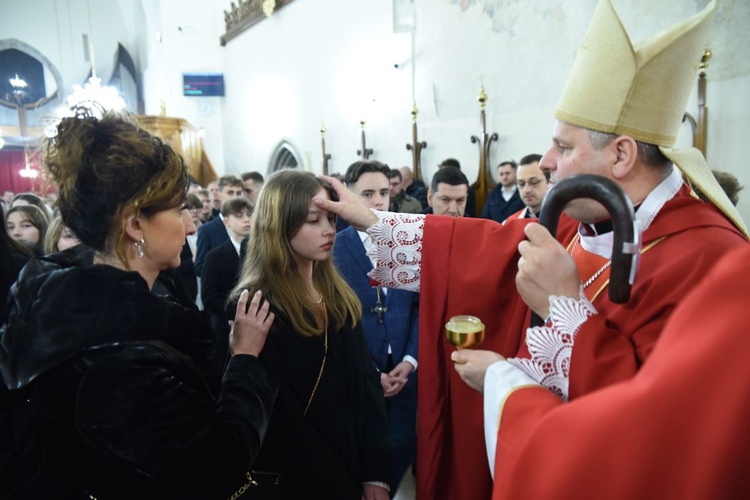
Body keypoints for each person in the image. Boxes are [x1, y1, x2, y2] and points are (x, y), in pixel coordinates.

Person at [315, 2, 747, 498]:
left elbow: (655, 439)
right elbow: (484, 252)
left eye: (564, 147)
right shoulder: (582, 218)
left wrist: (527, 351)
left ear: (622, 154)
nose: (546, 161)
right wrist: (370, 220)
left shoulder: (710, 263)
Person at [0, 107, 278, 498]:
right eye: (178, 209)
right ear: (134, 224)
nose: (191, 224)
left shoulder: (73, 307)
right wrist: (246, 361)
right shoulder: (120, 359)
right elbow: (218, 468)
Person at [455, 243, 750, 499]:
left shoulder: (714, 261)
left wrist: (499, 378)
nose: (548, 173)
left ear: (621, 171)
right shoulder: (581, 226)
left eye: (546, 172)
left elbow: (639, 453)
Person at [231, 169, 391, 499]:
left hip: (352, 458)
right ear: (279, 224)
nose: (329, 230)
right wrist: (343, 486)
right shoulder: (255, 303)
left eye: (331, 220)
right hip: (304, 476)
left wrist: (376, 472)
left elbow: (366, 381)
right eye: (313, 220)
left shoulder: (336, 292)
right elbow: (283, 419)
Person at [334, 161, 419, 494]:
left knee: (401, 450)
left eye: (384, 192)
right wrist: (369, 370)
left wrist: (410, 360)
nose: (379, 201)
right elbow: (337, 320)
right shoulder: (334, 247)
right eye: (367, 194)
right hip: (359, 372)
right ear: (348, 196)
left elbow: (417, 308)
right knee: (363, 456)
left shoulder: (407, 238)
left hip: (404, 369)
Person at [202, 197, 254, 369]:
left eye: (249, 214)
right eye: (239, 216)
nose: (246, 219)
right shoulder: (214, 256)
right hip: (226, 327)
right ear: (226, 221)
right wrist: (237, 312)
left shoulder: (261, 252)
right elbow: (209, 297)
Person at [194, 174, 244, 275]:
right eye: (230, 192)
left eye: (238, 193)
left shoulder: (249, 226)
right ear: (219, 195)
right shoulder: (207, 230)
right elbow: (200, 267)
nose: (235, 197)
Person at [504, 154, 549, 221]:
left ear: (550, 182)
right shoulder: (510, 223)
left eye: (534, 182)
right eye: (521, 184)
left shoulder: (568, 221)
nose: (526, 190)